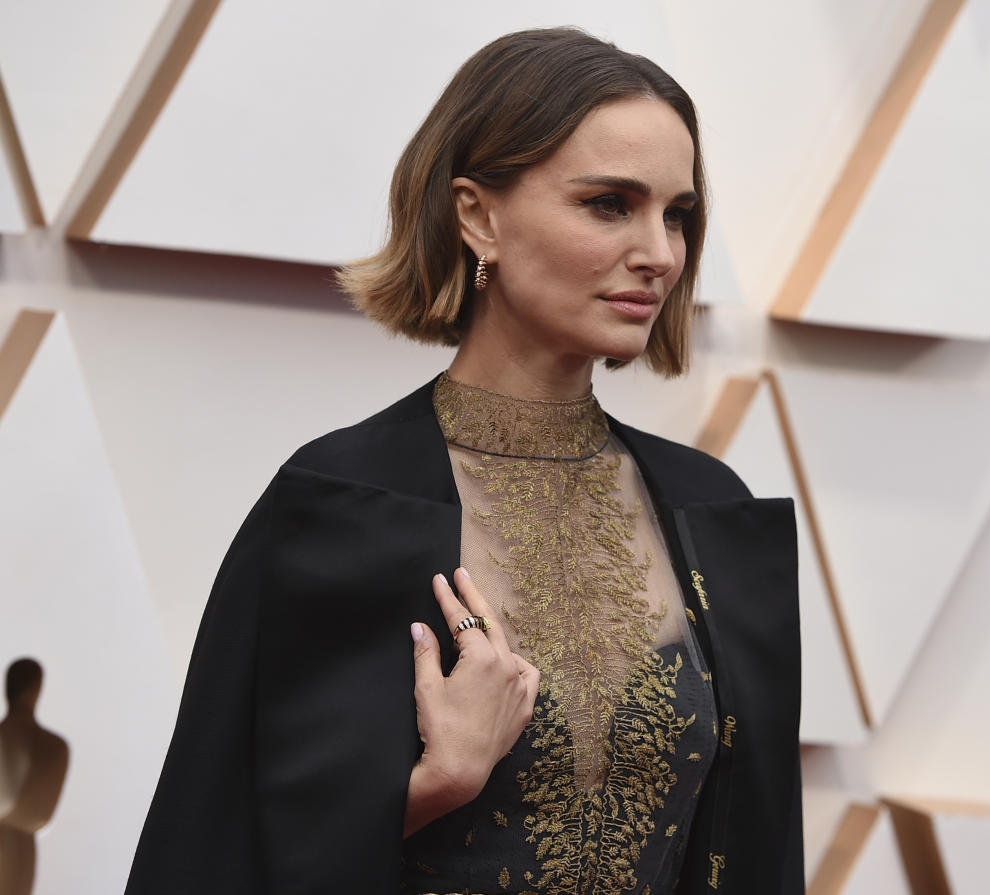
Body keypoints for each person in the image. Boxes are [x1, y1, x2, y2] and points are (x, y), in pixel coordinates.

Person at [125, 27, 802, 895]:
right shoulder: (336, 504)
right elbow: (210, 854)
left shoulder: (712, 509)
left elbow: (756, 854)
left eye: (676, 213)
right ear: (478, 214)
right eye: (608, 203)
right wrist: (433, 784)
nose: (660, 252)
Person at [0, 659, 69, 895]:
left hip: (20, 845)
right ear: (36, 689)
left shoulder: (55, 746)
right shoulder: (55, 746)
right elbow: (40, 814)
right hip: (18, 844)